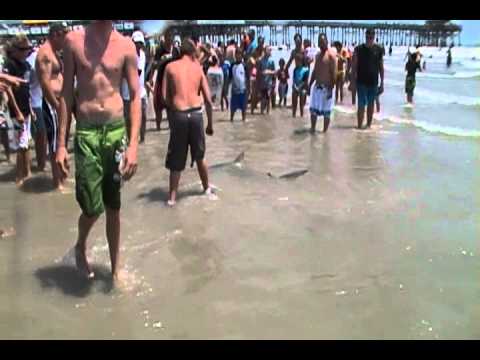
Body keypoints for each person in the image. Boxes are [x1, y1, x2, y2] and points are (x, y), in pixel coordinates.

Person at [55, 20, 141, 283]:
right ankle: (80, 245)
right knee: (92, 207)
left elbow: (136, 95)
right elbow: (66, 94)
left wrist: (134, 145)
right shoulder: (73, 41)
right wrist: (60, 145)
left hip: (116, 133)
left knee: (113, 205)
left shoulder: (126, 46)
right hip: (87, 133)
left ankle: (115, 271)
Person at [162, 37, 214, 206]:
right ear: (192, 53)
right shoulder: (197, 68)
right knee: (200, 157)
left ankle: (172, 199)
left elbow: (164, 97)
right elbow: (208, 100)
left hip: (179, 115)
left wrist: (174, 109)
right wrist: (210, 124)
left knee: (176, 162)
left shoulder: (170, 67)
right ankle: (207, 190)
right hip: (197, 115)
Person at [36, 23, 68, 190]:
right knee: (55, 143)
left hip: (58, 101)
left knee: (60, 141)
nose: (66, 38)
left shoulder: (53, 52)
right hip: (51, 102)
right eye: (64, 34)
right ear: (56, 34)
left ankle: (61, 178)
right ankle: (57, 184)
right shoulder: (45, 54)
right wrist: (55, 105)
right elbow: (45, 83)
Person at [3, 35, 34, 186]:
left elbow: (27, 89)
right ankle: (19, 176)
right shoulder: (10, 64)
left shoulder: (26, 65)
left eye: (28, 49)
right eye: (23, 49)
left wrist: (31, 110)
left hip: (26, 109)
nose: (26, 52)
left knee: (26, 143)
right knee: (20, 145)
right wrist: (17, 111)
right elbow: (8, 89)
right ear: (15, 50)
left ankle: (28, 172)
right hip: (17, 111)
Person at [351, 29, 384, 129]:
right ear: (365, 36)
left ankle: (368, 125)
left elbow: (381, 67)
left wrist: (382, 83)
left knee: (371, 104)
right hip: (361, 81)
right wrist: (352, 82)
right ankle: (359, 126)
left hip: (373, 82)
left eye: (371, 36)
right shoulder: (358, 49)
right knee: (361, 104)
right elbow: (354, 67)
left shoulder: (379, 49)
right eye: (368, 36)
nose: (369, 38)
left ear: (374, 36)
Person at [150, 30, 180, 131]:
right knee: (158, 106)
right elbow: (154, 65)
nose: (170, 39)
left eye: (171, 37)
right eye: (168, 37)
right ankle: (158, 127)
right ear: (165, 38)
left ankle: (171, 127)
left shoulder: (176, 50)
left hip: (172, 82)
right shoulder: (160, 49)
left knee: (171, 106)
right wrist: (162, 60)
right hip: (160, 79)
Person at [308, 33, 337, 133]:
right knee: (313, 111)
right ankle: (312, 129)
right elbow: (315, 71)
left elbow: (334, 74)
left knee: (326, 113)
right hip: (317, 87)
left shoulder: (331, 56)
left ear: (327, 42)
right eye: (320, 41)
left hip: (327, 88)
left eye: (323, 41)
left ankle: (325, 132)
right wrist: (309, 84)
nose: (321, 43)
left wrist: (331, 89)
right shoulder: (317, 56)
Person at [27, 45, 47, 172]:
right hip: (35, 103)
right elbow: (26, 87)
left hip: (42, 102)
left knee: (42, 136)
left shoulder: (36, 58)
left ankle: (42, 164)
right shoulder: (30, 61)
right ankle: (40, 164)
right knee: (40, 135)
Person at [132, 31, 148, 143]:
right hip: (129, 92)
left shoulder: (142, 55)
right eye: (136, 43)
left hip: (141, 91)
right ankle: (132, 139)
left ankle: (142, 138)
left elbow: (141, 73)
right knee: (130, 119)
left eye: (140, 43)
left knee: (144, 116)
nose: (138, 45)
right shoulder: (128, 55)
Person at [229, 50, 248, 122]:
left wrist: (248, 89)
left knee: (243, 108)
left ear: (241, 55)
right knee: (233, 109)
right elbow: (230, 78)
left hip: (243, 90)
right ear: (235, 55)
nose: (238, 56)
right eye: (237, 54)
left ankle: (244, 120)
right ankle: (231, 120)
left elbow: (247, 77)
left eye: (240, 54)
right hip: (234, 91)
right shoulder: (232, 65)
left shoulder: (244, 65)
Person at [257, 45, 275, 115]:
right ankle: (262, 112)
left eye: (270, 50)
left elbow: (274, 72)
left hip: (269, 83)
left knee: (268, 97)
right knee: (262, 98)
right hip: (262, 82)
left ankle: (268, 112)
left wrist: (268, 72)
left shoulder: (272, 61)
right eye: (268, 50)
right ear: (264, 51)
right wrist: (257, 83)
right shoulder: (261, 60)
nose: (269, 51)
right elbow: (258, 72)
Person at [291, 53, 309, 118]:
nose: (296, 63)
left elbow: (305, 81)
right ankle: (293, 114)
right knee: (294, 99)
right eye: (295, 61)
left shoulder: (306, 70)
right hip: (296, 87)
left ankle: (302, 115)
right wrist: (294, 86)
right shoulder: (295, 69)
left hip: (303, 88)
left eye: (297, 61)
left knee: (301, 102)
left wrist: (299, 87)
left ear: (301, 61)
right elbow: (293, 79)